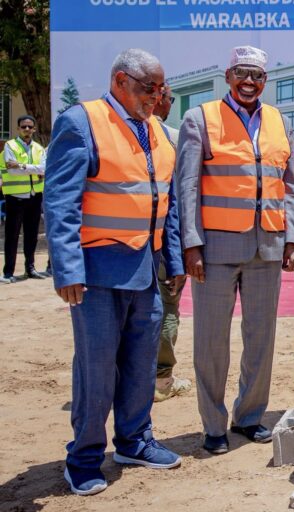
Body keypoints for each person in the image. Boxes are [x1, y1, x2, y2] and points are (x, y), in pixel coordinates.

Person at [44, 48, 185, 496]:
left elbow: (168, 202)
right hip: (98, 273)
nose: (157, 97)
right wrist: (67, 268)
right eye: (150, 88)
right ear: (121, 81)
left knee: (141, 366)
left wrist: (175, 260)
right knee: (97, 370)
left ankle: (134, 441)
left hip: (147, 271)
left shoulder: (158, 132)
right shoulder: (81, 122)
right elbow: (60, 202)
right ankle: (84, 458)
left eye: (161, 89)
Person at [176, 46, 294, 455]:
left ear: (266, 81)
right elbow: (188, 186)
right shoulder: (201, 118)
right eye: (242, 74)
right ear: (228, 76)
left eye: (258, 76)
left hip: (267, 245)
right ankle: (213, 424)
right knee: (212, 341)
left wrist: (292, 239)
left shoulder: (280, 121)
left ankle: (248, 417)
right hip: (215, 248)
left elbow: (291, 185)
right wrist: (191, 244)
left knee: (261, 338)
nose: (250, 83)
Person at [152, 85, 192, 402]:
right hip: (166, 240)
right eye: (169, 99)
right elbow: (182, 198)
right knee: (167, 308)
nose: (168, 104)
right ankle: (161, 381)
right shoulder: (175, 138)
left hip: (140, 243)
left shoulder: (120, 133)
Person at [0, 115, 48, 283]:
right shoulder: (10, 146)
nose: (27, 129)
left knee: (31, 234)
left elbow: (44, 168)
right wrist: (33, 169)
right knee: (12, 235)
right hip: (15, 197)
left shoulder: (39, 148)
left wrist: (21, 166)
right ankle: (8, 272)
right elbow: (11, 170)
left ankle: (31, 268)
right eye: (23, 127)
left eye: (29, 127)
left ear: (34, 129)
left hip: (35, 196)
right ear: (18, 129)